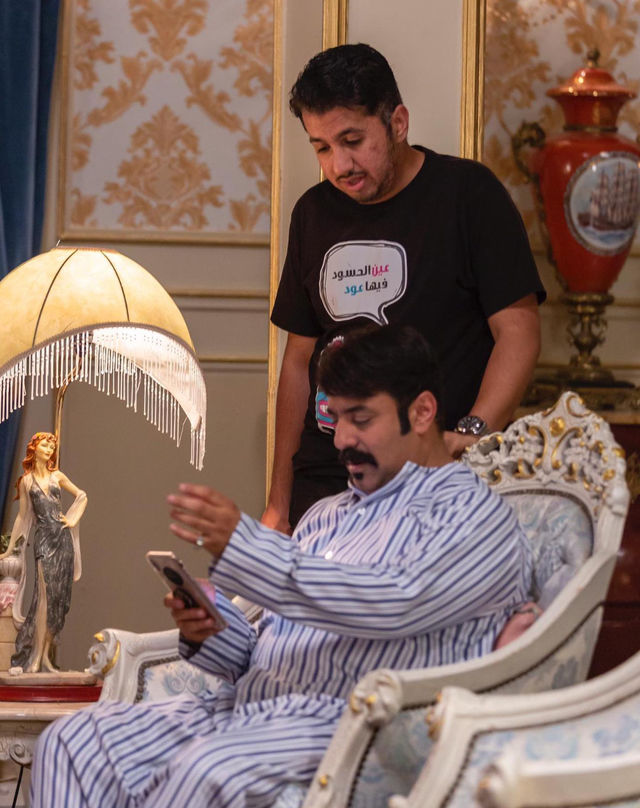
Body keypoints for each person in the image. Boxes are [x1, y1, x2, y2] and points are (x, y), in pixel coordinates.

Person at [31, 325, 532, 808]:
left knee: (205, 773)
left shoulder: (469, 515)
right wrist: (212, 628)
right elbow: (261, 654)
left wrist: (248, 546)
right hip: (246, 709)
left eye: (361, 419)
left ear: (421, 412)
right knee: (73, 742)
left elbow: (390, 601)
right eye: (336, 418)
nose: (342, 439)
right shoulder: (326, 516)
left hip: (353, 726)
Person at [264, 43, 546, 532]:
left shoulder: (468, 195)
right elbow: (297, 363)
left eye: (353, 140)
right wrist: (278, 503)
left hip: (429, 477)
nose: (340, 165)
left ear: (397, 123)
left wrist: (472, 435)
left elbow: (519, 332)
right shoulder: (312, 213)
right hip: (325, 475)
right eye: (322, 147)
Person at [0, 432, 87, 673]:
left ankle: (46, 656)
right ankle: (36, 656)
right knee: (44, 597)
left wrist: (71, 519)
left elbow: (82, 495)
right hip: (44, 540)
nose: (49, 450)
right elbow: (22, 517)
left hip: (62, 539)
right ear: (35, 447)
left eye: (51, 447)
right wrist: (10, 549)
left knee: (57, 599)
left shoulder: (57, 476)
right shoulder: (26, 481)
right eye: (45, 445)